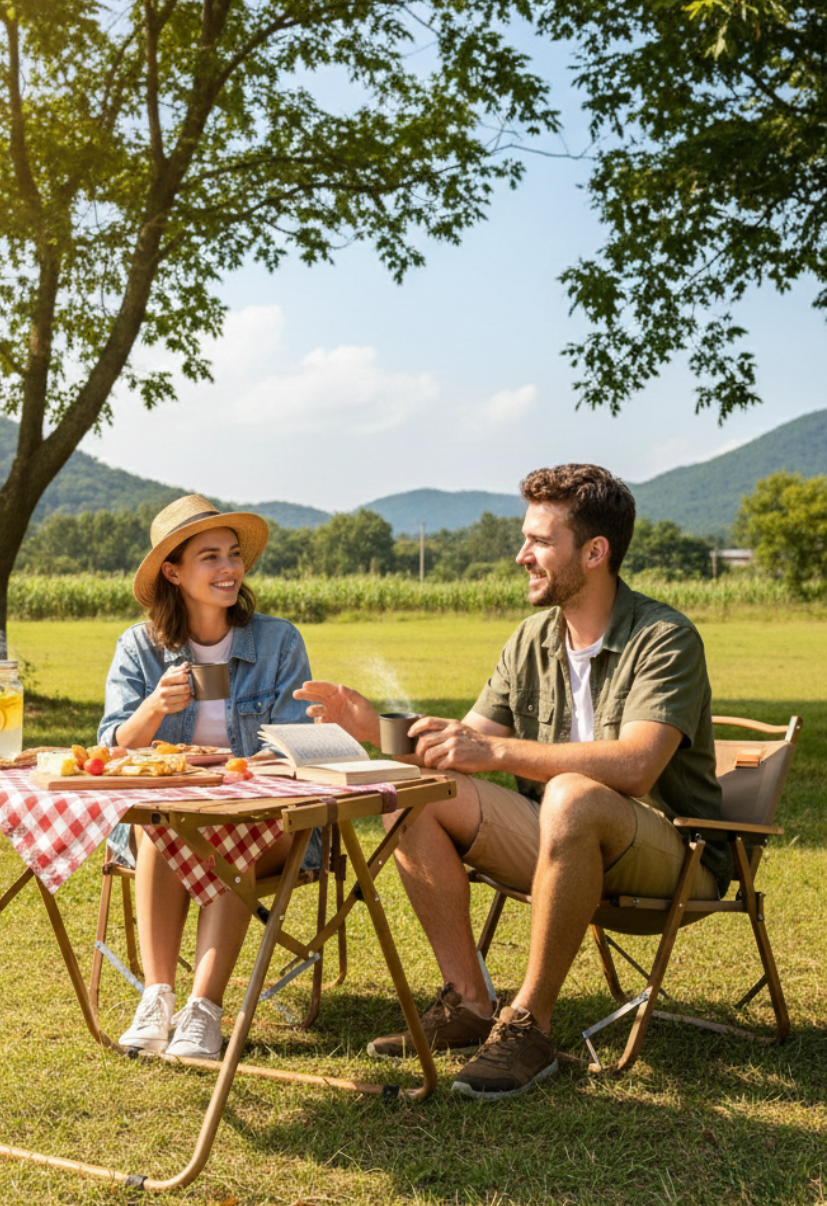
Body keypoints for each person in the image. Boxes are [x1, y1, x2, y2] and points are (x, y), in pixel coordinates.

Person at [297, 464, 725, 1099]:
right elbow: (454, 753)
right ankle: (471, 1004)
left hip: (674, 854)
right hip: (562, 839)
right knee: (415, 801)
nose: (522, 554)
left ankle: (529, 1025)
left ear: (595, 551)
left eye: (540, 541)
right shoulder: (530, 639)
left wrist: (494, 748)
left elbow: (636, 766)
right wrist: (369, 726)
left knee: (572, 792)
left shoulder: (664, 638)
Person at [98, 494, 318, 1060]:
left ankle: (204, 1010)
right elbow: (109, 749)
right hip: (165, 826)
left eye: (233, 556)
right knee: (161, 825)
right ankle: (157, 998)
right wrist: (152, 709)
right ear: (173, 571)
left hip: (269, 825)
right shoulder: (139, 648)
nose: (228, 569)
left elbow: (300, 746)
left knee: (230, 827)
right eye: (209, 557)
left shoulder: (277, 642)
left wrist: (253, 771)